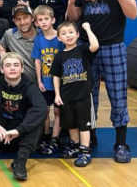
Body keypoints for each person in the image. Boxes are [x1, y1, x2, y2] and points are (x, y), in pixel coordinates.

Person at [66, 0, 137, 163]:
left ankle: (121, 142)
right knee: (89, 96)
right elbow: (74, 18)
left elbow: (133, 13)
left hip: (113, 46)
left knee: (118, 95)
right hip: (88, 49)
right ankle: (92, 136)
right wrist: (70, 1)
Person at [0, 52, 46, 180]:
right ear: (2, 69)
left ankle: (20, 161)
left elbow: (41, 109)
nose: (12, 68)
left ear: (22, 69)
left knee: (37, 116)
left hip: (21, 137)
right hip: (1, 135)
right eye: (8, 65)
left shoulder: (30, 87)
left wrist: (19, 130)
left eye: (16, 65)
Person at [51, 21, 99, 167]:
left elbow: (95, 46)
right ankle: (75, 146)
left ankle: (85, 152)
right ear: (59, 38)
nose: (68, 35)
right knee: (71, 124)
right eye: (64, 33)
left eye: (71, 32)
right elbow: (56, 76)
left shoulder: (83, 49)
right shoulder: (59, 56)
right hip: (66, 97)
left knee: (84, 125)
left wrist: (87, 28)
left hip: (83, 96)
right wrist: (57, 95)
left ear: (77, 34)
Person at [31, 5, 64, 155]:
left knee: (58, 112)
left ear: (53, 20)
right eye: (40, 20)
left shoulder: (60, 37)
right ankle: (44, 137)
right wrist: (39, 80)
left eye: (46, 19)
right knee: (44, 111)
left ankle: (54, 139)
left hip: (60, 83)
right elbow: (37, 60)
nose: (43, 22)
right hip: (45, 82)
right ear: (36, 23)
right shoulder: (38, 39)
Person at [0, 5, 37, 84]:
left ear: (32, 18)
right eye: (18, 19)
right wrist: (3, 56)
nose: (22, 22)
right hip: (21, 84)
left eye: (25, 17)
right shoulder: (10, 34)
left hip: (43, 84)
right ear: (14, 21)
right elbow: (1, 45)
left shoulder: (42, 35)